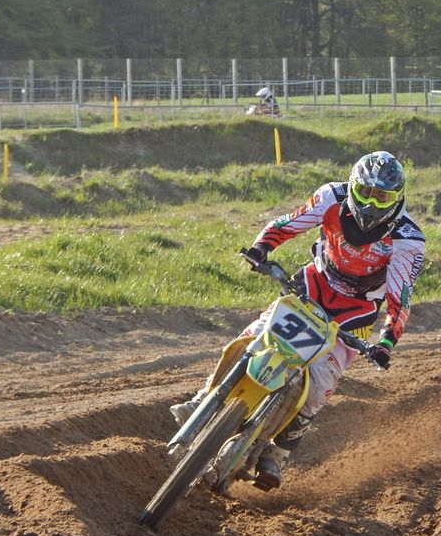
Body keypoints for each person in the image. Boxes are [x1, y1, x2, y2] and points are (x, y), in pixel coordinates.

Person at [170, 151, 425, 491]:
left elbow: (399, 298)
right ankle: (205, 397)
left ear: (397, 197)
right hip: (311, 286)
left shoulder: (408, 239)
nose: (371, 203)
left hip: (355, 313)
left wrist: (386, 342)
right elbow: (288, 223)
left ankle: (278, 453)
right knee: (254, 337)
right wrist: (261, 248)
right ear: (352, 186)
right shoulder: (331, 197)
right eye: (365, 192)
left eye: (382, 197)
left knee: (318, 383)